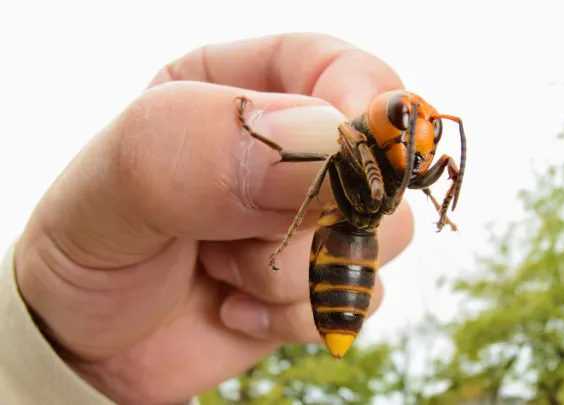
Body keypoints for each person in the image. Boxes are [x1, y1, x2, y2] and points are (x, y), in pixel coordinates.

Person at [0, 33, 414, 404]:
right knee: (321, 160)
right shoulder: (350, 136)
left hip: (351, 249)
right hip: (341, 251)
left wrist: (74, 376)